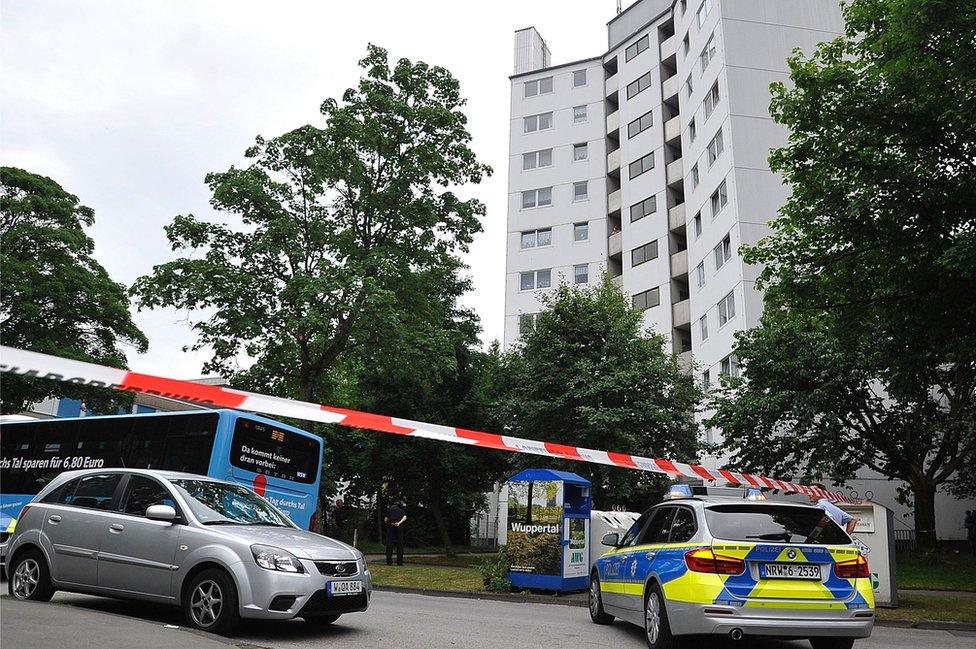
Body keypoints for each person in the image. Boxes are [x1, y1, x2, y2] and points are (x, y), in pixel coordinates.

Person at [384, 501, 407, 566]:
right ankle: (400, 562)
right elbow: (405, 517)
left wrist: (387, 521)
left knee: (389, 544)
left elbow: (386, 520)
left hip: (391, 526)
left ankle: (389, 562)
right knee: (400, 544)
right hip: (399, 527)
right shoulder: (401, 511)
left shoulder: (389, 510)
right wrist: (399, 523)